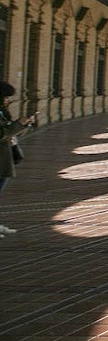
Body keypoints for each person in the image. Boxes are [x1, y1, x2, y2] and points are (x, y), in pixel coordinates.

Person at [0, 81, 34, 236]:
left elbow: (11, 133)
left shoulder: (2, 112)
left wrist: (24, 125)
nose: (7, 100)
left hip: (5, 159)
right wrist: (18, 125)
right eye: (6, 97)